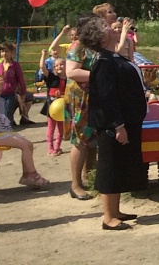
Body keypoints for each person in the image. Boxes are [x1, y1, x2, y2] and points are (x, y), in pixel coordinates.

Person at [78, 15, 147, 230]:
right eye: (106, 26)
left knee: (120, 166)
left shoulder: (111, 57)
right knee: (109, 167)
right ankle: (108, 217)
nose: (111, 28)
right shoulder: (104, 62)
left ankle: (115, 210)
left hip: (128, 121)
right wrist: (118, 125)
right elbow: (106, 98)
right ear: (99, 36)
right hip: (113, 125)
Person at [0, 74, 49, 189]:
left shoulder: (0, 99)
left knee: (28, 145)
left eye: (0, 85)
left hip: (2, 133)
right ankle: (32, 175)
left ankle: (27, 175)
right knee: (25, 145)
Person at [66, 13, 100, 200]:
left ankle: (89, 177)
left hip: (93, 97)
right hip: (81, 99)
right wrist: (96, 74)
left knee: (92, 138)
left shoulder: (93, 47)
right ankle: (75, 184)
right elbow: (71, 71)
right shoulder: (78, 48)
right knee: (81, 140)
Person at [0, 42, 31, 126]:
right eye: (2, 51)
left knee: (8, 112)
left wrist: (23, 93)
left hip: (10, 94)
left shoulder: (15, 65)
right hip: (0, 94)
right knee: (0, 112)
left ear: (11, 53)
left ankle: (9, 130)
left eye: (6, 51)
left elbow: (21, 80)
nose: (4, 53)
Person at [44, 57, 67, 155]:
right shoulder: (52, 78)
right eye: (56, 65)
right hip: (52, 108)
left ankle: (57, 147)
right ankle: (50, 148)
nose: (59, 67)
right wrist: (43, 55)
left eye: (61, 64)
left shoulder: (69, 79)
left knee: (61, 129)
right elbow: (42, 67)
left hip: (62, 108)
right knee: (51, 128)